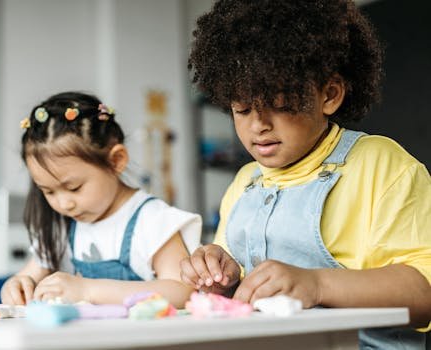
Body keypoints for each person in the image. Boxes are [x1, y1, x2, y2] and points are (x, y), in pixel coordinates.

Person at [180, 0, 430, 348]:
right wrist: (219, 275)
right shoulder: (246, 181)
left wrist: (317, 284)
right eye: (243, 109)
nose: (259, 125)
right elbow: (236, 284)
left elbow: (423, 293)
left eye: (281, 105)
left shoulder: (382, 166)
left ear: (329, 94)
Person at [0, 91, 201, 308]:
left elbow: (182, 291)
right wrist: (16, 287)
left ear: (116, 161)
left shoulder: (152, 220)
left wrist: (87, 290)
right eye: (48, 192)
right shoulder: (60, 226)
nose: (64, 203)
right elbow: (26, 277)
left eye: (74, 188)